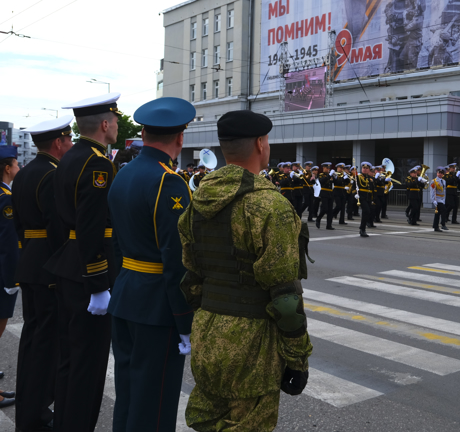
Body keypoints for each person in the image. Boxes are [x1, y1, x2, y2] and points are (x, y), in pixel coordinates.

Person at [178, 110, 312, 431]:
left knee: (208, 422)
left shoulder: (196, 203)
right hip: (253, 346)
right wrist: (297, 358)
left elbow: (190, 279)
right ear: (261, 143)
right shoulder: (269, 207)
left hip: (208, 333)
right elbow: (284, 295)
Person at [107, 97, 196, 431]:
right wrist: (185, 319)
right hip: (157, 307)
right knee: (155, 403)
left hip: (127, 295)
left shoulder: (123, 174)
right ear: (180, 137)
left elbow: (115, 241)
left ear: (143, 133)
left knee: (129, 394)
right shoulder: (167, 181)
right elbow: (177, 259)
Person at [50, 93, 120, 432]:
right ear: (105, 125)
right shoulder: (97, 163)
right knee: (87, 368)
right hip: (86, 274)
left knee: (69, 360)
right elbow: (93, 228)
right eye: (116, 121)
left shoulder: (69, 157)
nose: (118, 126)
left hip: (67, 266)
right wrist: (98, 284)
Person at [12, 117, 74, 430]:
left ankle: (28, 409)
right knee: (46, 346)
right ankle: (35, 416)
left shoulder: (23, 174)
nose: (71, 144)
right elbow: (57, 227)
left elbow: (19, 225)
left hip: (30, 261)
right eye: (69, 139)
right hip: (49, 264)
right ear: (58, 142)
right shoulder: (52, 174)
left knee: (32, 339)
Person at [0, 145, 20, 410]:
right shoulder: (5, 198)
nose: (18, 169)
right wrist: (11, 280)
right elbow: (8, 243)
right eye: (16, 164)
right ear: (7, 168)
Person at [357, 162, 376, 237]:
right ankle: (362, 229)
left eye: (366, 168)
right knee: (366, 211)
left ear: (369, 169)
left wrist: (373, 198)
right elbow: (354, 187)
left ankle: (362, 227)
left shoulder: (370, 178)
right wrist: (355, 195)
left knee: (369, 212)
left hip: (368, 198)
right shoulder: (358, 177)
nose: (365, 169)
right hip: (362, 197)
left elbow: (372, 189)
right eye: (363, 168)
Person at [316, 162, 335, 229]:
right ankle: (318, 218)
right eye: (327, 168)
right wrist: (329, 175)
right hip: (324, 193)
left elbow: (335, 183)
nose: (328, 169)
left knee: (330, 210)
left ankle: (329, 225)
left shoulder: (331, 175)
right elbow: (321, 181)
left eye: (329, 168)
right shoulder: (321, 175)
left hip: (330, 193)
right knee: (325, 208)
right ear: (323, 168)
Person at [430, 167, 448, 232]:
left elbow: (444, 192)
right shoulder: (434, 181)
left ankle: (435, 226)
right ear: (437, 173)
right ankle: (443, 224)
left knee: (437, 213)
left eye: (441, 173)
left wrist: (444, 200)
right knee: (444, 210)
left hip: (442, 199)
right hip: (437, 199)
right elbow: (432, 191)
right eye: (438, 173)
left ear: (443, 174)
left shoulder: (444, 181)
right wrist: (433, 200)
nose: (439, 174)